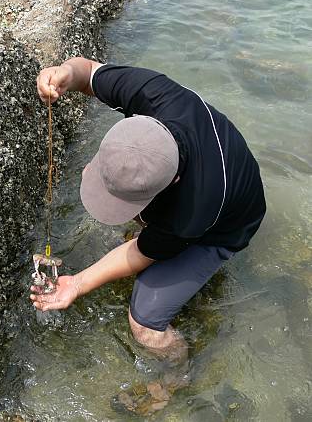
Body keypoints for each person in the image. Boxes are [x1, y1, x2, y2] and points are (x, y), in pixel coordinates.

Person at [32, 58, 266, 412]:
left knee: (145, 321)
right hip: (220, 170)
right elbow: (88, 72)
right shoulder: (154, 94)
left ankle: (179, 374)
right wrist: (64, 74)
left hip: (227, 226)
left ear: (171, 184)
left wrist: (77, 284)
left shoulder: (191, 213)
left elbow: (141, 253)